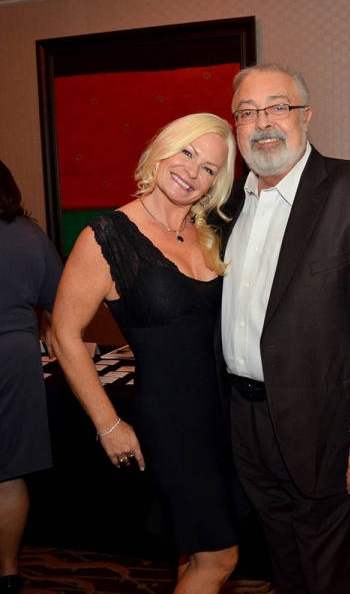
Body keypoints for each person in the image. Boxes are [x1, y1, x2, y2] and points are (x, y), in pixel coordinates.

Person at [218, 63, 350, 594]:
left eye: (277, 107)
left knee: (339, 574)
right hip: (245, 423)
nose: (263, 122)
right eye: (247, 112)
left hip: (331, 428)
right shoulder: (227, 204)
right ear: (236, 125)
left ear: (306, 116)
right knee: (284, 567)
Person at [50, 113, 245, 594]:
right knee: (220, 558)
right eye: (187, 152)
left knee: (194, 550)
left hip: (225, 418)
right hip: (171, 424)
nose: (192, 171)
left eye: (208, 168)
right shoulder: (107, 236)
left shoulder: (211, 231)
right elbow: (64, 335)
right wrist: (108, 424)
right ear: (161, 150)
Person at [0, 160, 63, 594]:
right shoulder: (30, 236)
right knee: (8, 473)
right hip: (16, 361)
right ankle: (8, 571)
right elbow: (63, 309)